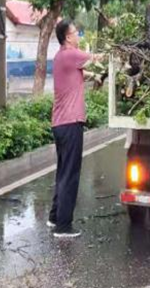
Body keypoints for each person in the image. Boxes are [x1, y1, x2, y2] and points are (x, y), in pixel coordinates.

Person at [48, 20, 102, 238]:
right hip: (70, 123)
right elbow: (97, 59)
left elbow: (81, 73)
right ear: (68, 37)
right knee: (70, 175)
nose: (78, 35)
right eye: (76, 32)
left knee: (63, 172)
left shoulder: (61, 57)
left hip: (60, 124)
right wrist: (115, 56)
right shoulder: (72, 55)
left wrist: (94, 77)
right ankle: (63, 227)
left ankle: (54, 217)